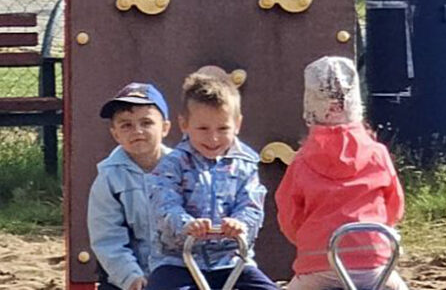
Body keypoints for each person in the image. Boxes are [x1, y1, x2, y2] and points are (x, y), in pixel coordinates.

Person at [276, 57, 408, 290]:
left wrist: (307, 240)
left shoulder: (302, 161)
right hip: (373, 260)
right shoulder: (377, 154)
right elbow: (395, 205)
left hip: (320, 259)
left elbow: (288, 213)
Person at [148, 73, 277, 290]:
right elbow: (164, 205)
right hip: (179, 262)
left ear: (237, 124)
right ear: (184, 124)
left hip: (231, 261)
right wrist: (187, 224)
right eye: (203, 129)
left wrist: (240, 224)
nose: (213, 138)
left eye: (223, 129)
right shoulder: (172, 164)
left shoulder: (246, 164)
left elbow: (251, 205)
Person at [88, 82, 173, 290]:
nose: (137, 131)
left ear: (165, 128)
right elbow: (107, 237)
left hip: (176, 273)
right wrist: (130, 277)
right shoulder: (109, 178)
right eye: (126, 125)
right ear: (115, 134)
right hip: (127, 278)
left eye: (147, 122)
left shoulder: (182, 171)